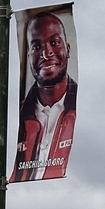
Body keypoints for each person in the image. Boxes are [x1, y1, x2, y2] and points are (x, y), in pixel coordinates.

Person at [10, 11, 77, 182]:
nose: (46, 54)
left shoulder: (80, 110)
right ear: (29, 56)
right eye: (36, 47)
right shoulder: (21, 114)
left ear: (67, 49)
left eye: (54, 42)